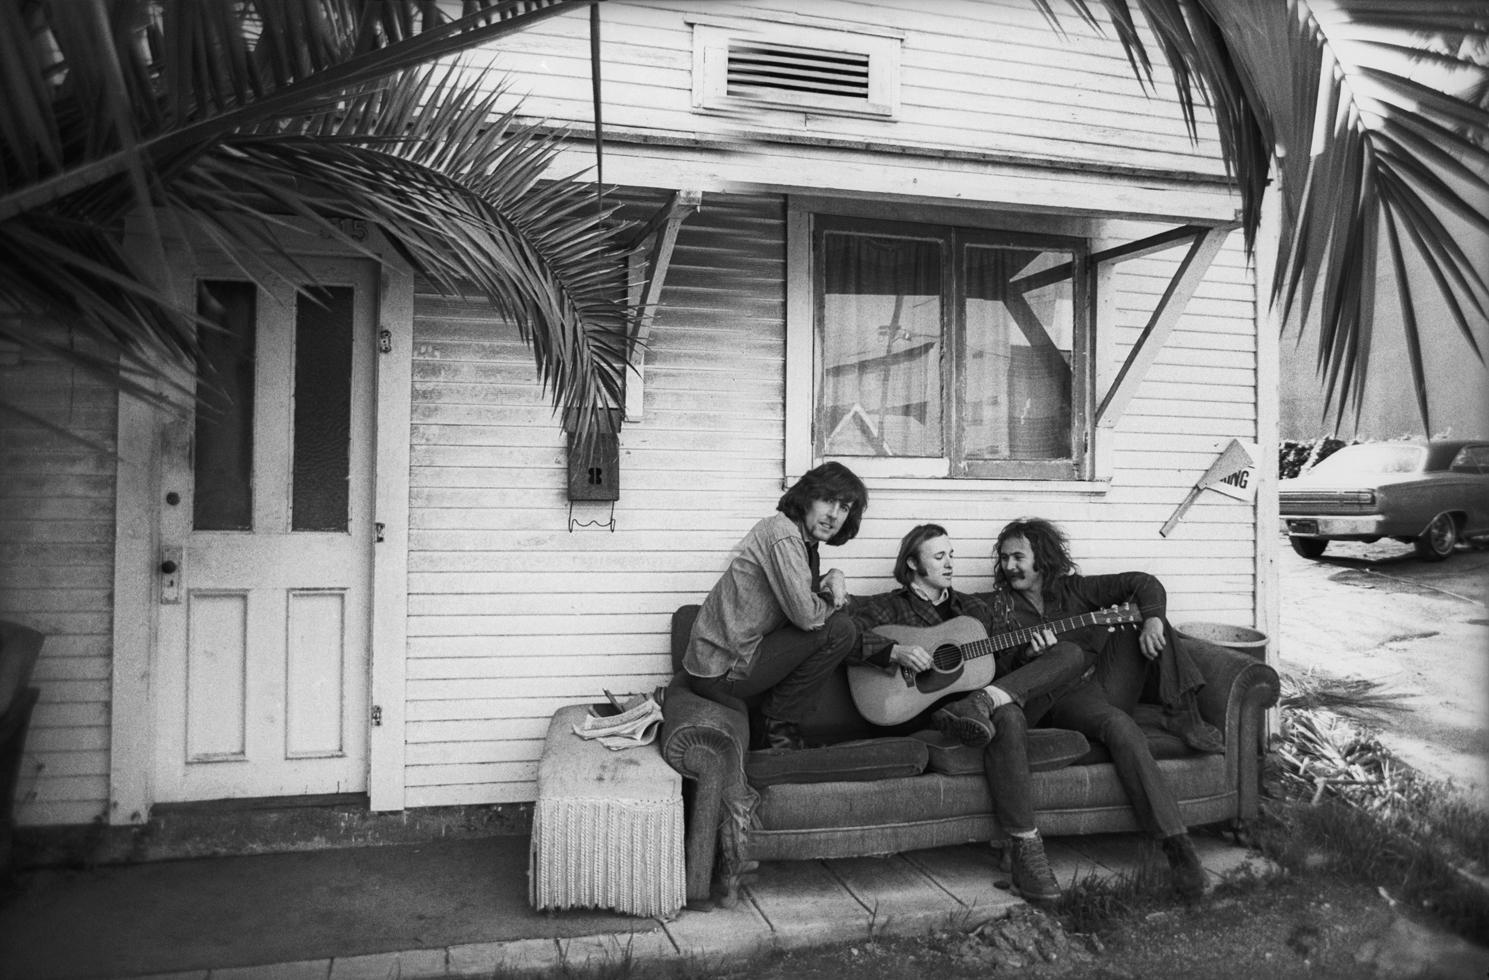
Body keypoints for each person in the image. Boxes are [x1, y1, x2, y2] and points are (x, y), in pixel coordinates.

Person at [850, 524, 1089, 904]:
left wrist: (1029, 656)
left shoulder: (973, 610)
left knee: (1066, 659)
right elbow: (840, 634)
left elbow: (1003, 663)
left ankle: (1026, 847)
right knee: (1008, 714)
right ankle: (1025, 849)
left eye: (951, 555)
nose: (949, 564)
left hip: (976, 708)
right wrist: (893, 652)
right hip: (920, 711)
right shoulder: (887, 606)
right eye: (939, 556)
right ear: (913, 563)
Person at [982, 516, 1216, 898]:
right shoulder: (1001, 607)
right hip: (1059, 700)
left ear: (1042, 557)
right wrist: (1029, 656)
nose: (1009, 567)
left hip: (1101, 681)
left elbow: (1143, 582)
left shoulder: (1074, 590)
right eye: (1005, 558)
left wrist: (1154, 620)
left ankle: (1180, 714)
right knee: (1121, 726)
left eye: (1018, 557)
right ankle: (1178, 844)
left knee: (1144, 615)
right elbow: (1001, 672)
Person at [684, 462, 868, 752]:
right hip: (721, 672)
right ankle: (777, 728)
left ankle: (776, 724)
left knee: (838, 621)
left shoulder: (802, 543)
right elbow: (807, 616)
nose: (834, 515)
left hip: (727, 664)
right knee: (840, 629)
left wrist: (833, 577)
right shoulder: (782, 535)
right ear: (807, 497)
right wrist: (834, 597)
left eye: (844, 507)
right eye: (828, 500)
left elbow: (797, 592)